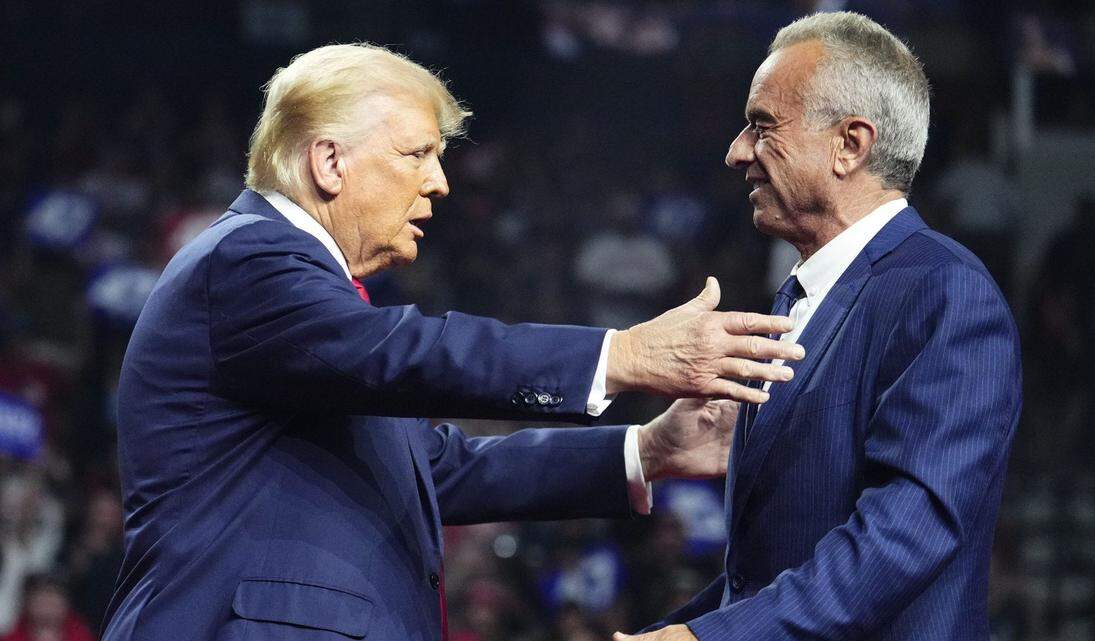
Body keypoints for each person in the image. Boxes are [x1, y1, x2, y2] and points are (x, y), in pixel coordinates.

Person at [101, 44, 805, 641]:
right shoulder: (247, 259)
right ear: (330, 162)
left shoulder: (313, 304)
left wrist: (647, 450)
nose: (439, 183)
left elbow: (435, 471)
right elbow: (408, 352)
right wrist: (622, 355)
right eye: (417, 154)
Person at [620, 12, 1021, 641]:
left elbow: (905, 532)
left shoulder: (944, 291)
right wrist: (675, 632)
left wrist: (709, 639)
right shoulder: (801, 298)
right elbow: (762, 571)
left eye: (762, 126)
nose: (737, 152)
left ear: (850, 145)